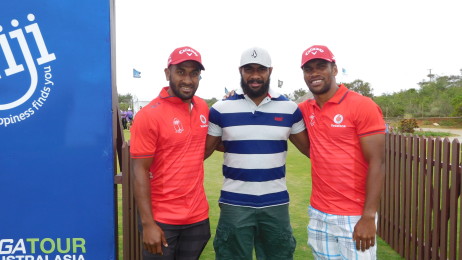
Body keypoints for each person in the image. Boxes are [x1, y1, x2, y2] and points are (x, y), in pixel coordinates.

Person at [205, 47, 310, 260]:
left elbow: (311, 150)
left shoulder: (289, 109)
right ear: (240, 71)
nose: (255, 75)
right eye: (249, 69)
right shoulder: (221, 108)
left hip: (276, 203)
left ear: (270, 71)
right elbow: (204, 150)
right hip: (234, 203)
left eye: (260, 69)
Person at [297, 45, 386, 259]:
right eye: (309, 69)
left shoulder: (362, 105)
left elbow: (378, 162)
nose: (315, 73)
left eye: (321, 66)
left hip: (354, 216)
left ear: (334, 69)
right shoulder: (305, 109)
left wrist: (368, 216)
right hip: (319, 213)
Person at [130, 46, 211, 260]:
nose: (188, 79)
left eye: (194, 73)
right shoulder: (149, 115)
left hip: (198, 218)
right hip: (161, 220)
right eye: (181, 72)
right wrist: (147, 224)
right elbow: (139, 170)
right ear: (168, 73)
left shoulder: (203, 107)